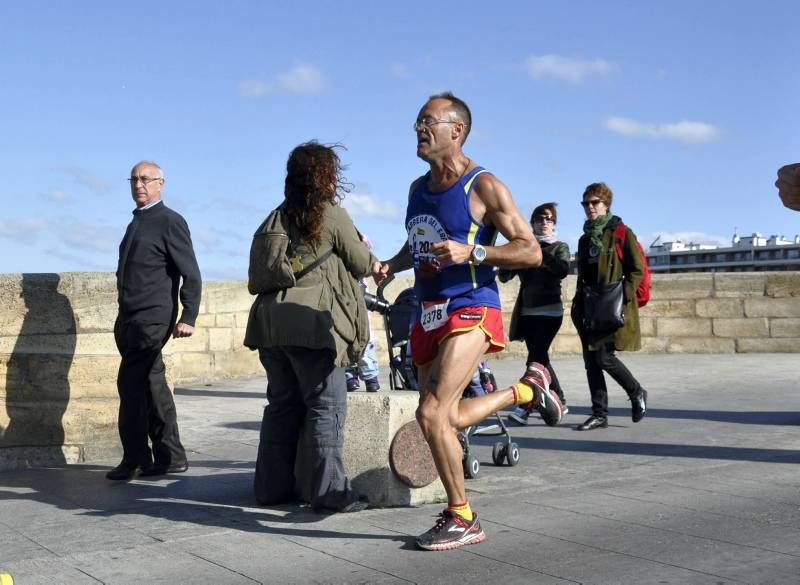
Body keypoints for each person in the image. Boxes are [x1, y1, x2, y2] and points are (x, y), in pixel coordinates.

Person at [373, 92, 564, 551]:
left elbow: (531, 250)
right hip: (428, 309)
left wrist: (475, 250)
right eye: (416, 121)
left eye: (428, 121)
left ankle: (462, 516)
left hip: (473, 304)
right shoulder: (416, 189)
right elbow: (420, 244)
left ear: (456, 130)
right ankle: (525, 391)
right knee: (447, 418)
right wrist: (390, 265)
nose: (419, 129)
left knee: (431, 412)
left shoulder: (483, 185)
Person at [244, 141, 376, 513]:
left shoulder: (277, 216)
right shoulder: (331, 215)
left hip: (271, 325)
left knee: (281, 407)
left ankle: (271, 489)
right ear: (326, 176)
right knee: (326, 406)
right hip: (312, 326)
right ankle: (330, 492)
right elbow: (360, 261)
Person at [107, 161, 201, 480]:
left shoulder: (170, 221)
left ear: (161, 183)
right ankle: (171, 456)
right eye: (133, 179)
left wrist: (188, 315)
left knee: (130, 386)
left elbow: (191, 273)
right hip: (130, 320)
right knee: (152, 385)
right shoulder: (137, 222)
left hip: (153, 319)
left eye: (146, 179)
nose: (139, 184)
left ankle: (135, 459)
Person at [571, 182, 647, 431]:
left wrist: (623, 295)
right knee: (591, 361)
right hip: (589, 305)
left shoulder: (621, 232)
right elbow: (583, 275)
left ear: (606, 205)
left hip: (610, 304)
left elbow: (637, 269)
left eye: (595, 203)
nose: (590, 208)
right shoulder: (584, 239)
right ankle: (599, 414)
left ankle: (636, 391)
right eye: (586, 203)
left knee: (604, 357)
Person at [499, 202, 570, 425]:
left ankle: (525, 408)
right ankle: (560, 399)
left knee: (534, 361)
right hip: (528, 313)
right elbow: (504, 276)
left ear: (554, 224)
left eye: (549, 219)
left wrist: (536, 251)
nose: (545, 223)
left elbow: (562, 269)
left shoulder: (560, 247)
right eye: (540, 218)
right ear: (532, 223)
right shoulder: (523, 248)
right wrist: (511, 252)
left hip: (550, 312)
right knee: (541, 360)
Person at [346, 232, 381, 392]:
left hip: (361, 319)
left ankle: (370, 377)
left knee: (365, 349)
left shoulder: (360, 276)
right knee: (345, 349)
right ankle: (350, 377)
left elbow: (366, 254)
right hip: (344, 317)